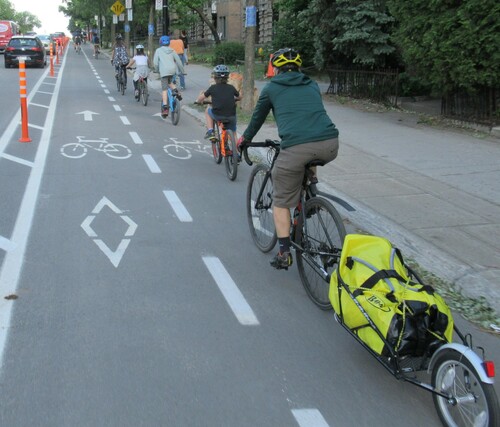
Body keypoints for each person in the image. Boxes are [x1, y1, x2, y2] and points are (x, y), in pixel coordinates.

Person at [238, 48, 339, 270]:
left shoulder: (272, 88)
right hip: (330, 143)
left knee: (282, 201)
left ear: (275, 68)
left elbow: (256, 120)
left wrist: (244, 140)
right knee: (309, 158)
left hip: (297, 148)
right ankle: (311, 194)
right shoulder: (312, 84)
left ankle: (284, 253)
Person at [196, 64, 242, 140]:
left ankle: (210, 131)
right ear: (227, 77)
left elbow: (201, 97)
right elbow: (239, 97)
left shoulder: (212, 88)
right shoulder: (231, 87)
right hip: (231, 116)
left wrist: (198, 101)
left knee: (207, 111)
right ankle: (236, 151)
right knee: (234, 133)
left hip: (218, 115)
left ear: (214, 77)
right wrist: (236, 98)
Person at [153, 35, 185, 118]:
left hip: (164, 72)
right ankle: (176, 92)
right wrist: (182, 71)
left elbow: (156, 62)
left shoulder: (158, 51)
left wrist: (156, 70)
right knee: (170, 82)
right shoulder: (172, 50)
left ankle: (165, 107)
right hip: (172, 70)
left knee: (164, 89)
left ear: (160, 42)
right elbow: (178, 61)